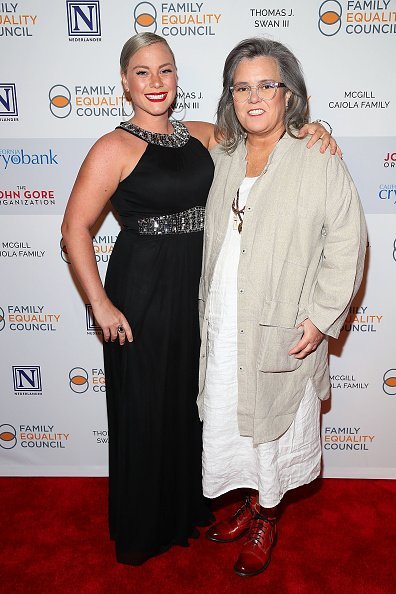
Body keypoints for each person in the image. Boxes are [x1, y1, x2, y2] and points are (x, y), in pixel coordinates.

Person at [61, 32, 337, 566]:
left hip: (200, 293)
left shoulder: (204, 134)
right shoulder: (112, 147)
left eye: (165, 70)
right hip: (140, 293)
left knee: (191, 407)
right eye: (142, 72)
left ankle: (189, 506)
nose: (156, 82)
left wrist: (313, 129)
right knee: (145, 408)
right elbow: (74, 229)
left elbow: (267, 136)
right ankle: (146, 526)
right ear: (124, 81)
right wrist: (99, 303)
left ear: (177, 76)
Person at [199, 37, 367, 577]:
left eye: (265, 85)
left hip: (283, 325)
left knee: (273, 429)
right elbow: (165, 132)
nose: (253, 98)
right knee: (235, 420)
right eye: (241, 87)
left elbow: (348, 242)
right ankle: (251, 500)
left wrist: (320, 319)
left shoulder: (316, 156)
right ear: (230, 96)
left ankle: (268, 515)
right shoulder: (222, 154)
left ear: (288, 94)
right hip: (225, 322)